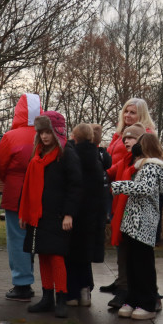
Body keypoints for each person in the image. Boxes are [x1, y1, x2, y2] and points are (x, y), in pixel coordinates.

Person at [21, 112, 80, 318]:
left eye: (49, 132)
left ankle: (61, 297)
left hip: (57, 215)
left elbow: (75, 186)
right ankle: (47, 297)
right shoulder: (37, 155)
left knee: (56, 256)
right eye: (42, 132)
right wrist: (26, 212)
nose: (45, 136)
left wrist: (69, 214)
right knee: (43, 254)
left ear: (58, 132)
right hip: (39, 214)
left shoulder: (66, 154)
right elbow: (28, 187)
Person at [110, 133, 163, 320]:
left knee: (142, 265)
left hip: (142, 224)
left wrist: (119, 186)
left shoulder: (151, 167)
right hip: (133, 223)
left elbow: (145, 189)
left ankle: (146, 302)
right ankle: (133, 299)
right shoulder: (145, 167)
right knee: (132, 264)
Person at [103, 99, 155, 296]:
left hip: (128, 187)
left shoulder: (144, 136)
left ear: (141, 115)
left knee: (128, 238)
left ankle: (131, 285)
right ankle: (122, 279)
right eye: (126, 111)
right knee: (119, 234)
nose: (128, 116)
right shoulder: (121, 133)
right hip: (115, 187)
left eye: (133, 112)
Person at [0, 93, 42, 302]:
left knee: (17, 237)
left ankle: (22, 284)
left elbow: (0, 166)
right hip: (42, 193)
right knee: (41, 237)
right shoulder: (47, 135)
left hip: (16, 192)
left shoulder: (11, 137)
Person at [66, 123, 107, 307]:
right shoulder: (98, 158)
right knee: (84, 254)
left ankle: (71, 293)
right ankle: (86, 289)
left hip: (76, 212)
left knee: (71, 254)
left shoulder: (73, 156)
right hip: (93, 214)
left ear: (75, 137)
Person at [105, 123, 145, 311]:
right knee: (122, 254)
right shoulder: (124, 162)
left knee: (135, 256)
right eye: (125, 138)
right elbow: (108, 173)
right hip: (121, 214)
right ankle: (123, 289)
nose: (127, 141)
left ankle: (136, 293)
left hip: (136, 217)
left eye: (131, 138)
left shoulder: (144, 164)